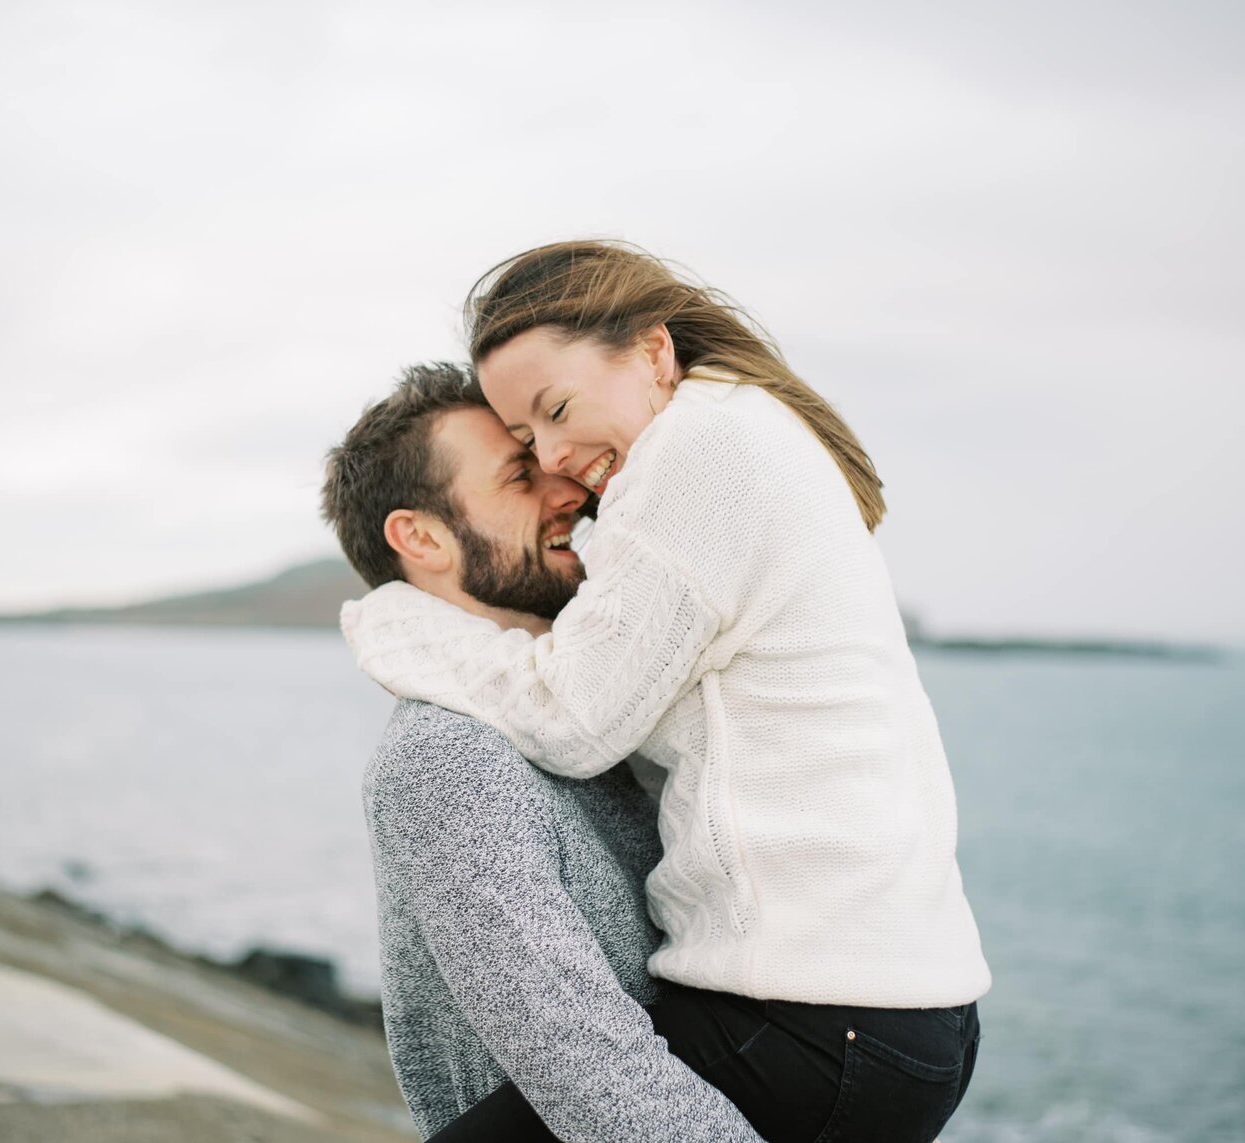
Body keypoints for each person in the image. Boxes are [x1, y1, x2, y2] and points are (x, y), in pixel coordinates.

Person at [341, 242, 990, 1143]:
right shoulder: (449, 754)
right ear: (420, 535)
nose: (564, 470)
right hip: (889, 1013)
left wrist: (394, 624)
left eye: (556, 416)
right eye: (524, 455)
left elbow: (567, 723)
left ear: (653, 353)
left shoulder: (698, 453)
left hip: (822, 1010)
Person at [321, 362, 763, 1143]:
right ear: (420, 536)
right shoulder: (448, 756)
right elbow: (591, 1069)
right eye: (520, 475)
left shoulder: (582, 716)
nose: (567, 490)